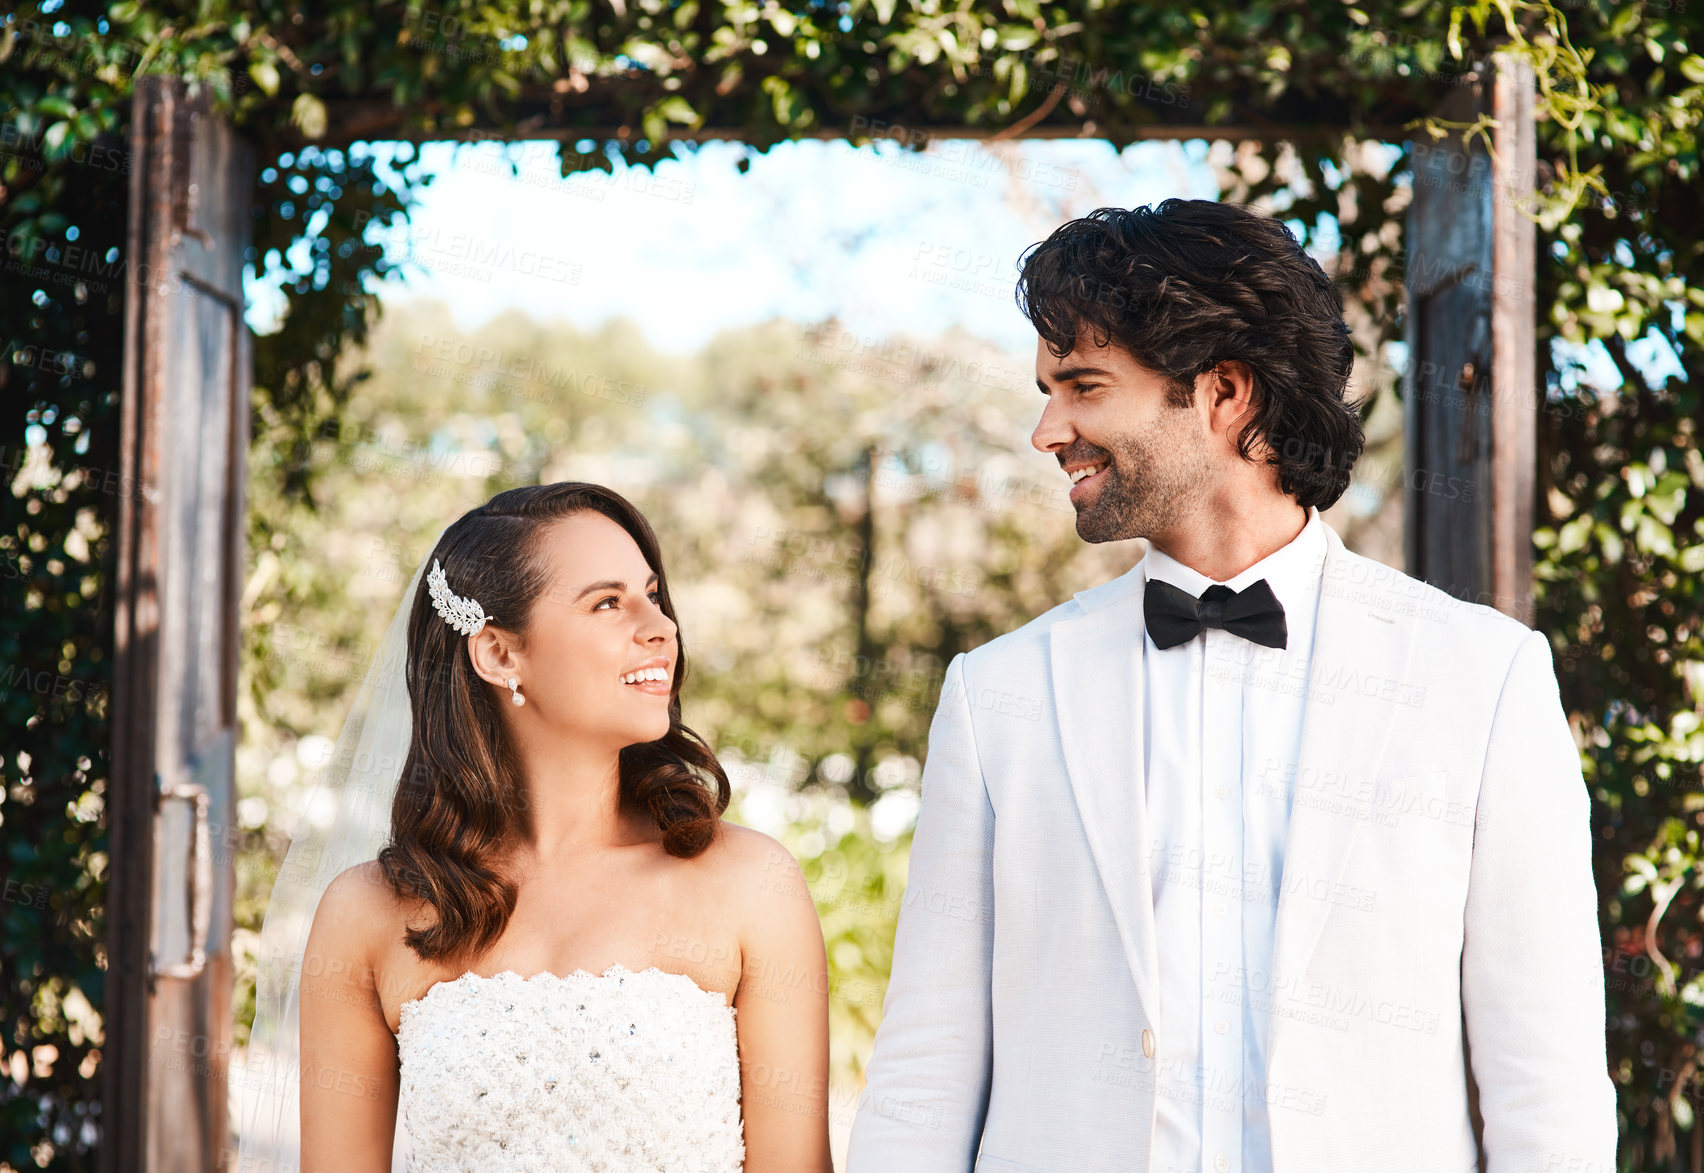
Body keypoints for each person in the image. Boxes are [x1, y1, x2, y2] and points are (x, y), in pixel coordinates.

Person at [846, 200, 1615, 1172]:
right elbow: (925, 1068)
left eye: (1082, 385)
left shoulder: (1484, 678)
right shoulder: (997, 693)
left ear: (1223, 393)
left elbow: (1544, 1080)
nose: (1048, 430)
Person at [242, 482, 831, 1173]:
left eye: (652, 594)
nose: (660, 626)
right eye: (608, 602)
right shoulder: (366, 912)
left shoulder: (750, 882)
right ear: (497, 654)